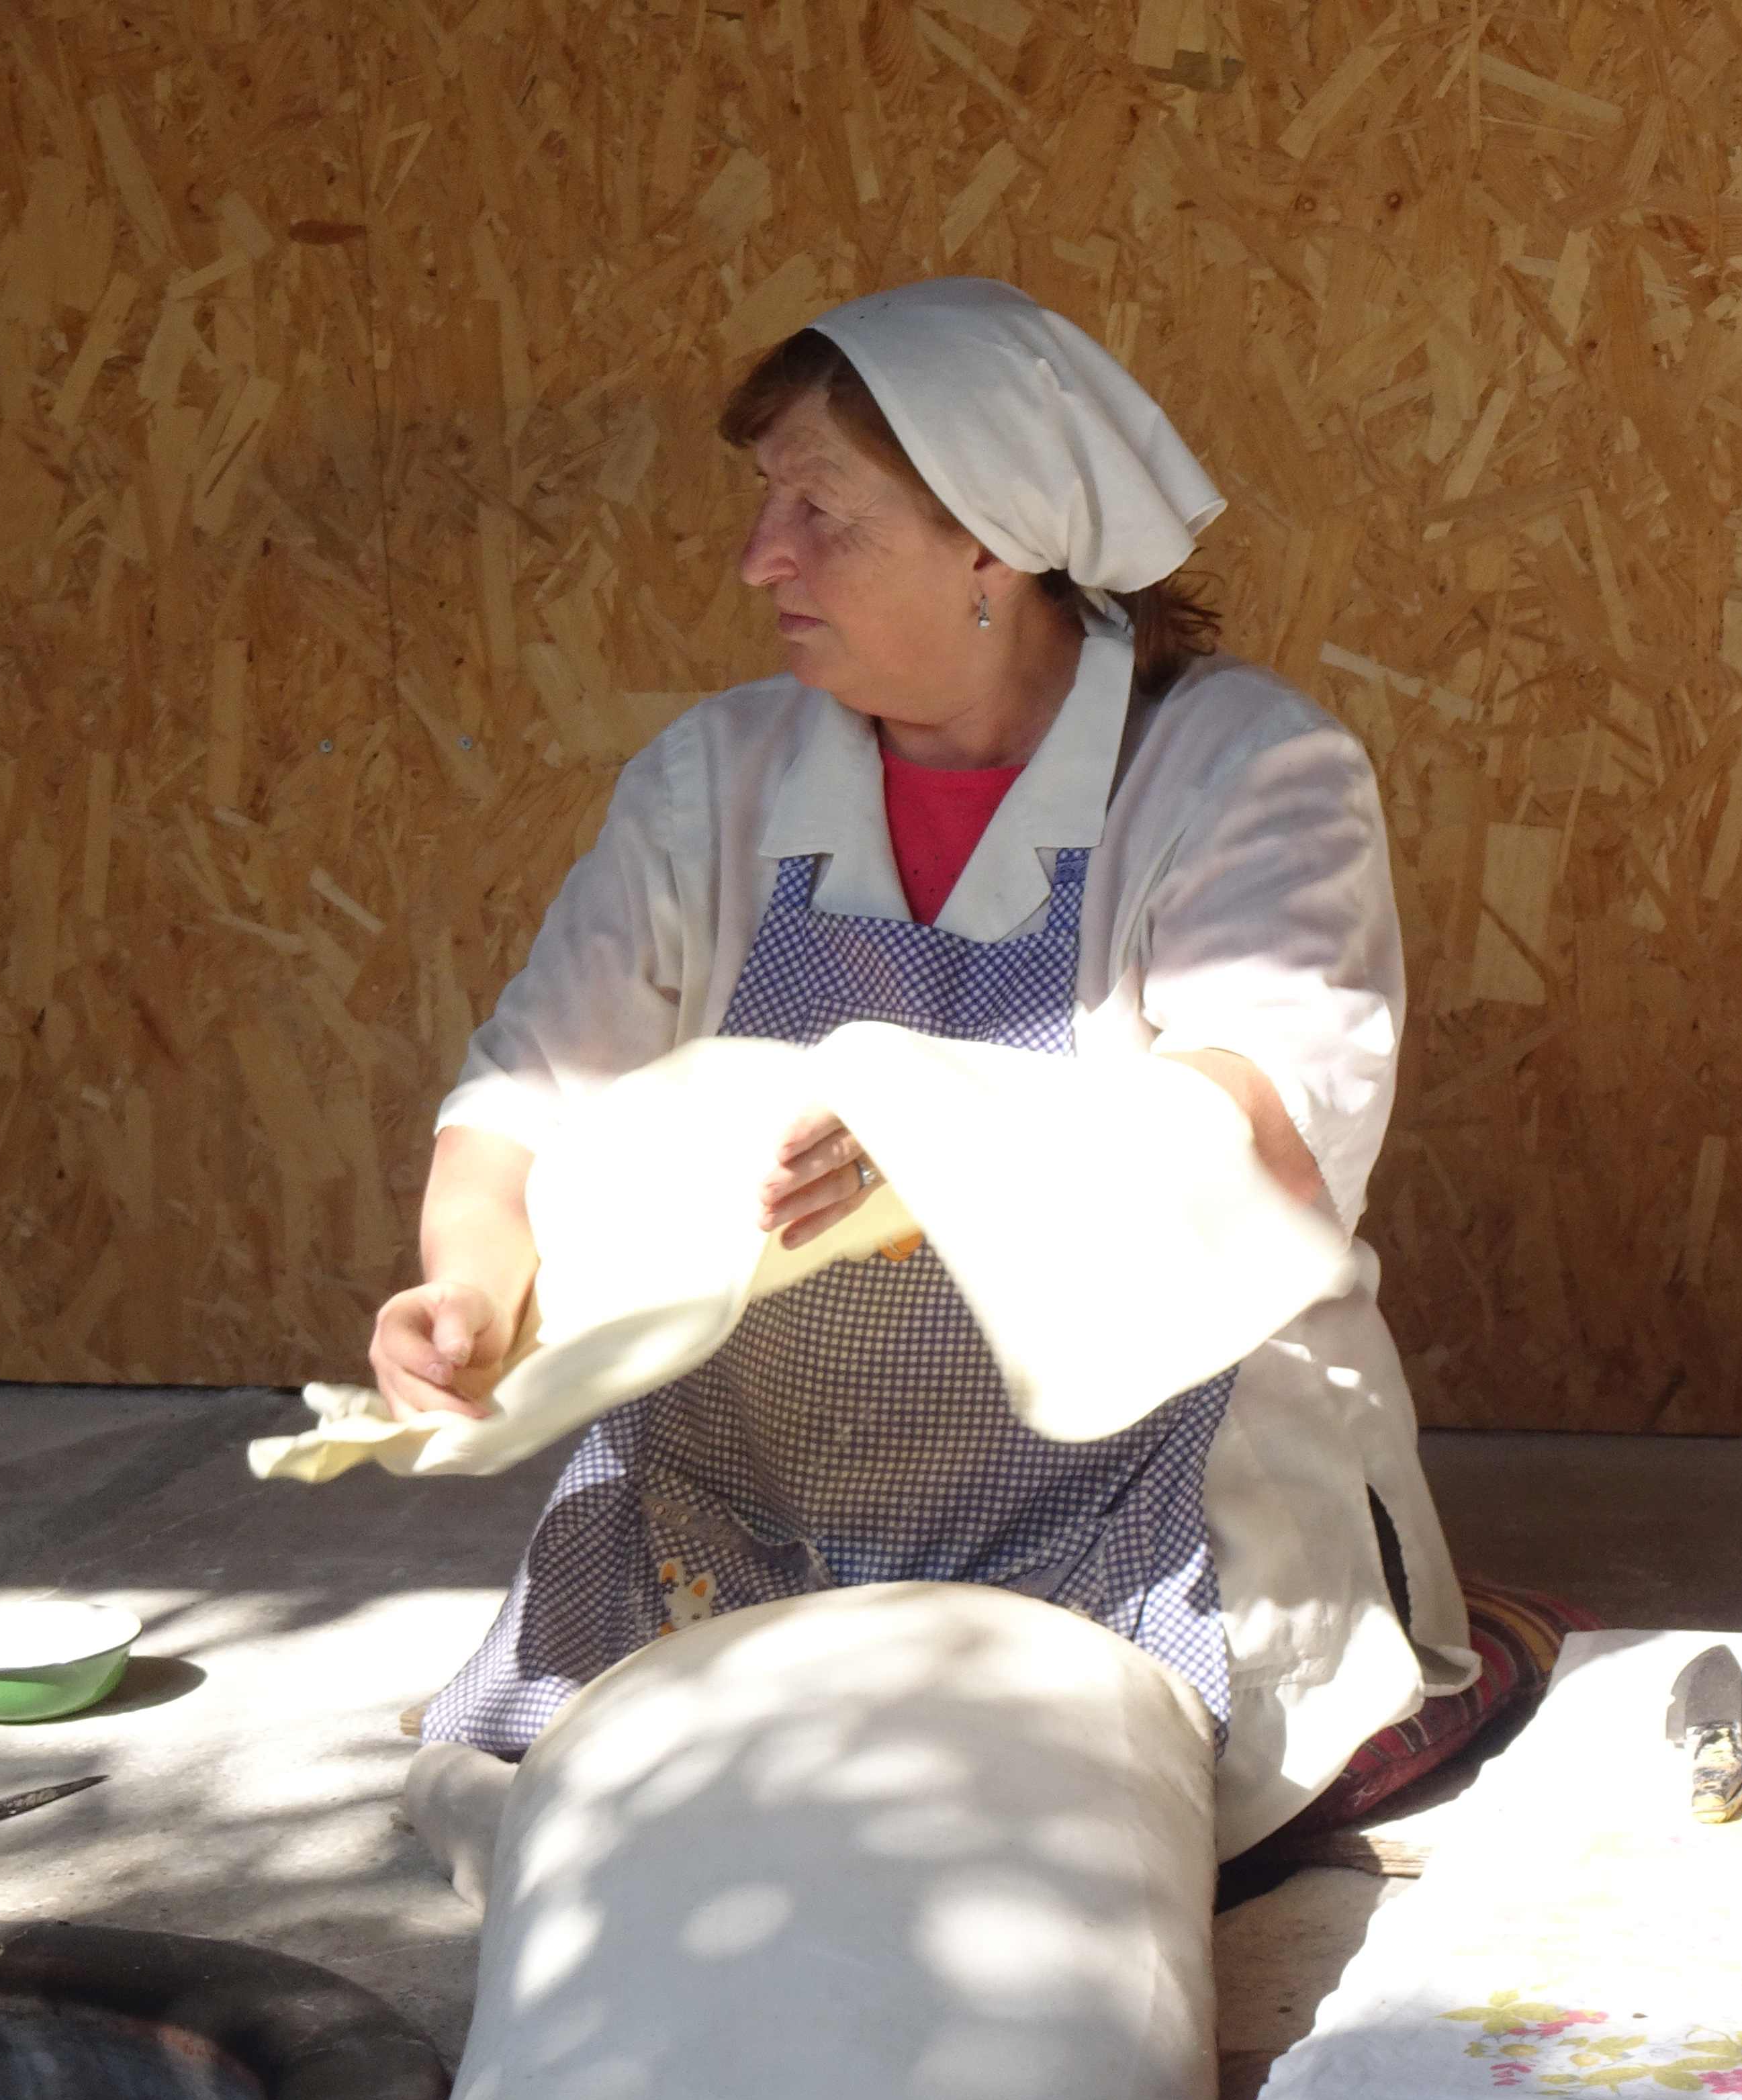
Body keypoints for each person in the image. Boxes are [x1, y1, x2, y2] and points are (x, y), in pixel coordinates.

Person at [376, 277, 1467, 1856]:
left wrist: (945, 1141)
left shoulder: (1244, 772)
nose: (763, 557)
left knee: (1025, 1854)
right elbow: (525, 1096)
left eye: (823, 514)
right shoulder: (712, 780)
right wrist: (469, 1288)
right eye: (767, 502)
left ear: (990, 546)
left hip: (1128, 1494)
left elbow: (1275, 1134)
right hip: (741, 1498)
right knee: (602, 1834)